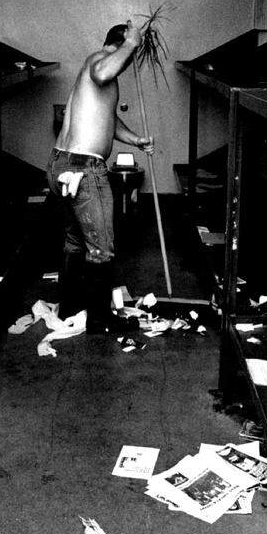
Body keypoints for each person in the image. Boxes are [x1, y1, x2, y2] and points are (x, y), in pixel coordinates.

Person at [47, 20, 154, 333]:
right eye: (129, 51)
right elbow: (103, 71)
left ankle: (69, 306)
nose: (131, 60)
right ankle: (100, 319)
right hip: (83, 169)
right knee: (102, 247)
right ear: (119, 44)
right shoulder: (97, 62)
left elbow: (107, 119)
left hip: (62, 164)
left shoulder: (96, 78)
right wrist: (133, 42)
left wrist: (136, 140)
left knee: (75, 241)